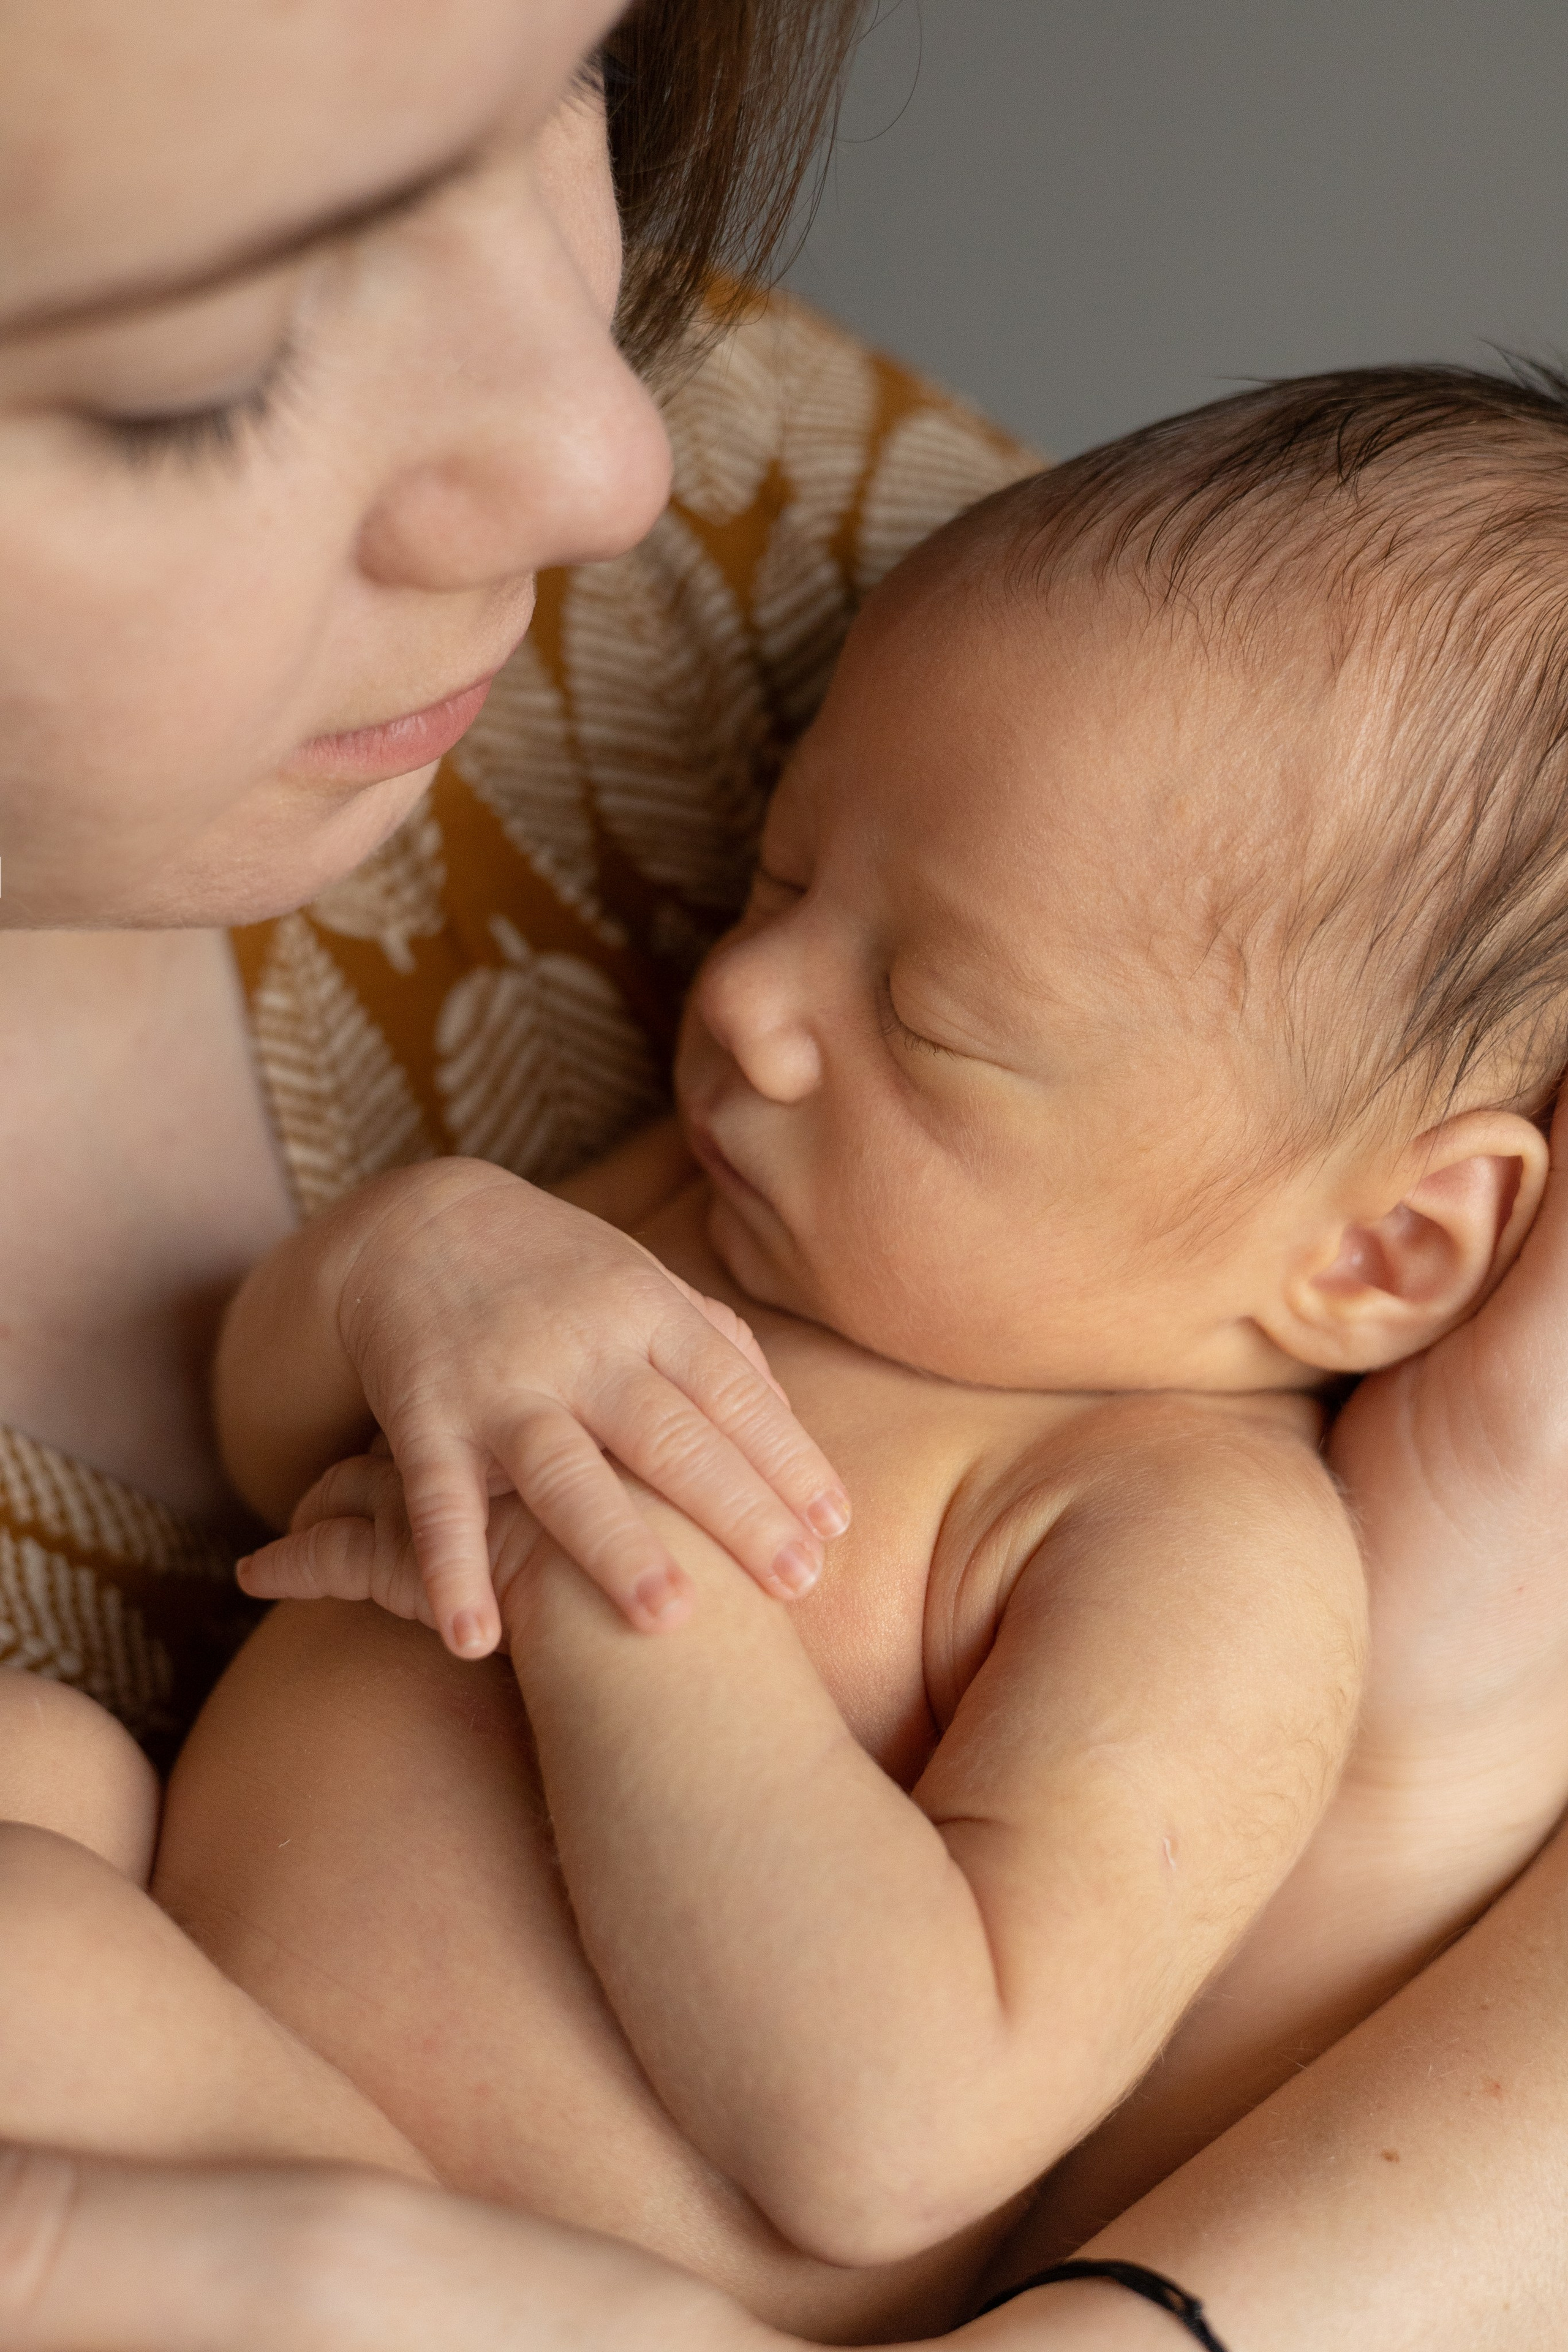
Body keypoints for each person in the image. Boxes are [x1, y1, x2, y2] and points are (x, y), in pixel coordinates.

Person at [1, 1, 1567, 2345]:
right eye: (778, 876)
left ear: (1386, 1245)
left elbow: (893, 2130)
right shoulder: (748, 1194)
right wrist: (428, 1268)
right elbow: (273, 1434)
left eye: (931, 1017)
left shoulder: (1178, 1539)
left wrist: (625, 1577)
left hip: (534, 2284)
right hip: (196, 2073)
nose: (744, 1000)